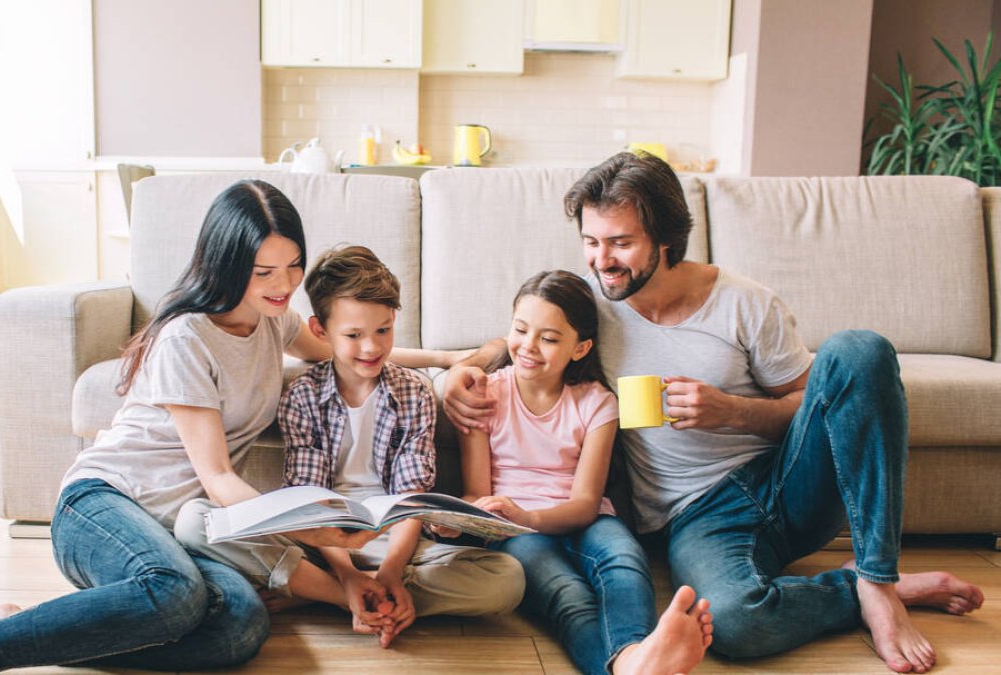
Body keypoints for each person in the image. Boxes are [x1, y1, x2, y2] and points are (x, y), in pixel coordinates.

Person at [0, 181, 448, 674]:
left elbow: (355, 352)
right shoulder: (186, 336)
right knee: (174, 595)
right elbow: (218, 479)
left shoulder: (272, 322)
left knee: (240, 629)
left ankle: (24, 623)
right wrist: (321, 534)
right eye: (264, 272)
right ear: (229, 264)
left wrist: (455, 361)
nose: (285, 285)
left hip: (173, 533)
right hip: (104, 506)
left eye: (292, 266)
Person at [443, 152, 985, 674]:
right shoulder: (600, 300)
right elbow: (523, 334)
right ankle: (852, 591)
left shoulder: (746, 305)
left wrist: (734, 412)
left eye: (620, 243)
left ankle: (878, 580)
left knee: (858, 350)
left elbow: (816, 403)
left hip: (785, 485)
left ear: (666, 240)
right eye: (590, 241)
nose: (602, 260)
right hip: (697, 515)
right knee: (733, 623)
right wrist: (461, 371)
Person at [175, 245, 526, 649]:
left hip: (391, 543)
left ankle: (325, 594)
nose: (372, 348)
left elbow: (411, 499)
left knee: (507, 579)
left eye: (383, 330)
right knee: (195, 521)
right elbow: (306, 501)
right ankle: (346, 596)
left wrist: (392, 571)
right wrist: (345, 576)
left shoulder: (415, 392)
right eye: (354, 335)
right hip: (318, 539)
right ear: (320, 331)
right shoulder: (303, 395)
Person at [440, 269, 712, 675]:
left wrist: (530, 516)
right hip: (515, 531)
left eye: (549, 339)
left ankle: (634, 657)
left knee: (623, 559)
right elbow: (479, 492)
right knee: (567, 595)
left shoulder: (598, 403)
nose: (529, 347)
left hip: (579, 518)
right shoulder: (484, 396)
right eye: (520, 330)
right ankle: (632, 664)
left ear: (581, 347)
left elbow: (586, 505)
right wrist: (462, 517)